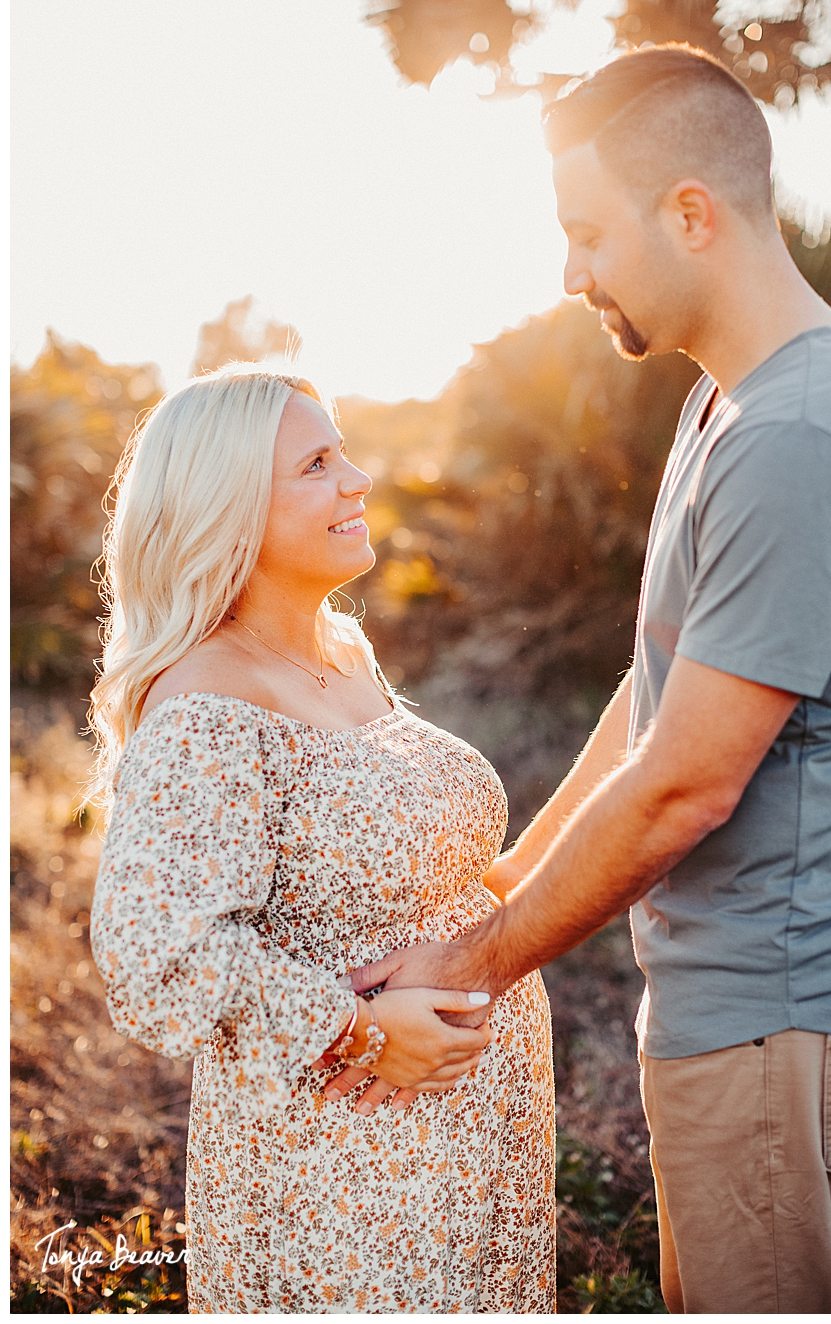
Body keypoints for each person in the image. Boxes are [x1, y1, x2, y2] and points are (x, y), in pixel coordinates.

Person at [328, 45, 831, 1313]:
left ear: (691, 213)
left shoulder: (797, 435)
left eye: (585, 234)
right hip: (726, 1009)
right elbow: (653, 703)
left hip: (780, 1023)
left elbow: (685, 785)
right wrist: (494, 889)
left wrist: (472, 962)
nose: (571, 274)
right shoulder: (727, 407)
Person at [88, 366, 554, 1311]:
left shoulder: (342, 649)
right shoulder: (204, 706)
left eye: (342, 450)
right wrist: (359, 1031)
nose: (358, 480)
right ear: (228, 509)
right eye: (316, 463)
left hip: (478, 1143)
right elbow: (151, 955)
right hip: (347, 1168)